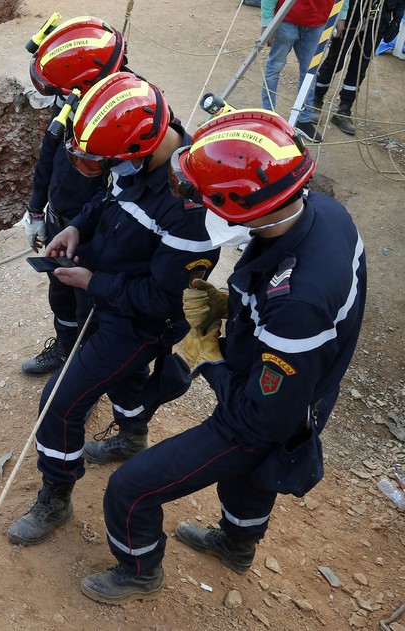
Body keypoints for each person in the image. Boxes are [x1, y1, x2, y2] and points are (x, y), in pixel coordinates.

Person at [80, 109, 367, 605]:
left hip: (268, 408)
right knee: (252, 479)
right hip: (302, 383)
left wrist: (209, 351)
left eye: (208, 198)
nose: (198, 206)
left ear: (250, 206)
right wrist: (234, 306)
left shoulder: (297, 300)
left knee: (131, 489)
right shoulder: (322, 213)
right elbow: (286, 305)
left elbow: (261, 418)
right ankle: (237, 545)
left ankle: (139, 569)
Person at [6, 72, 220, 546]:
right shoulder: (138, 157)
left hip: (139, 322)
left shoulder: (190, 211)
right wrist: (78, 229)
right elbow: (107, 199)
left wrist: (92, 282)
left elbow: (163, 300)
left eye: (104, 162)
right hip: (108, 297)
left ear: (135, 151)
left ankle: (55, 499)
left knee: (58, 405)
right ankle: (132, 434)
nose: (101, 170)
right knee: (125, 379)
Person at [20, 16, 126, 375]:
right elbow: (50, 150)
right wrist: (36, 210)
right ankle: (64, 350)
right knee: (61, 295)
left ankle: (81, 371)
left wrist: (82, 227)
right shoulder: (74, 94)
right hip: (61, 221)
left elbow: (123, 192)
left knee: (89, 308)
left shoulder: (127, 111)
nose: (59, 98)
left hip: (96, 232)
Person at [260, 0, 348, 142]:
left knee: (310, 73)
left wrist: (341, 14)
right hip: (287, 19)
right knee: (274, 68)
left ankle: (304, 119)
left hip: (318, 23)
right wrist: (267, 21)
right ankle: (268, 116)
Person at [312, 0, 405, 135]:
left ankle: (343, 110)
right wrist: (340, 16)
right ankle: (315, 100)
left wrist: (396, 20)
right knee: (335, 61)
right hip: (351, 15)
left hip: (376, 22)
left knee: (359, 67)